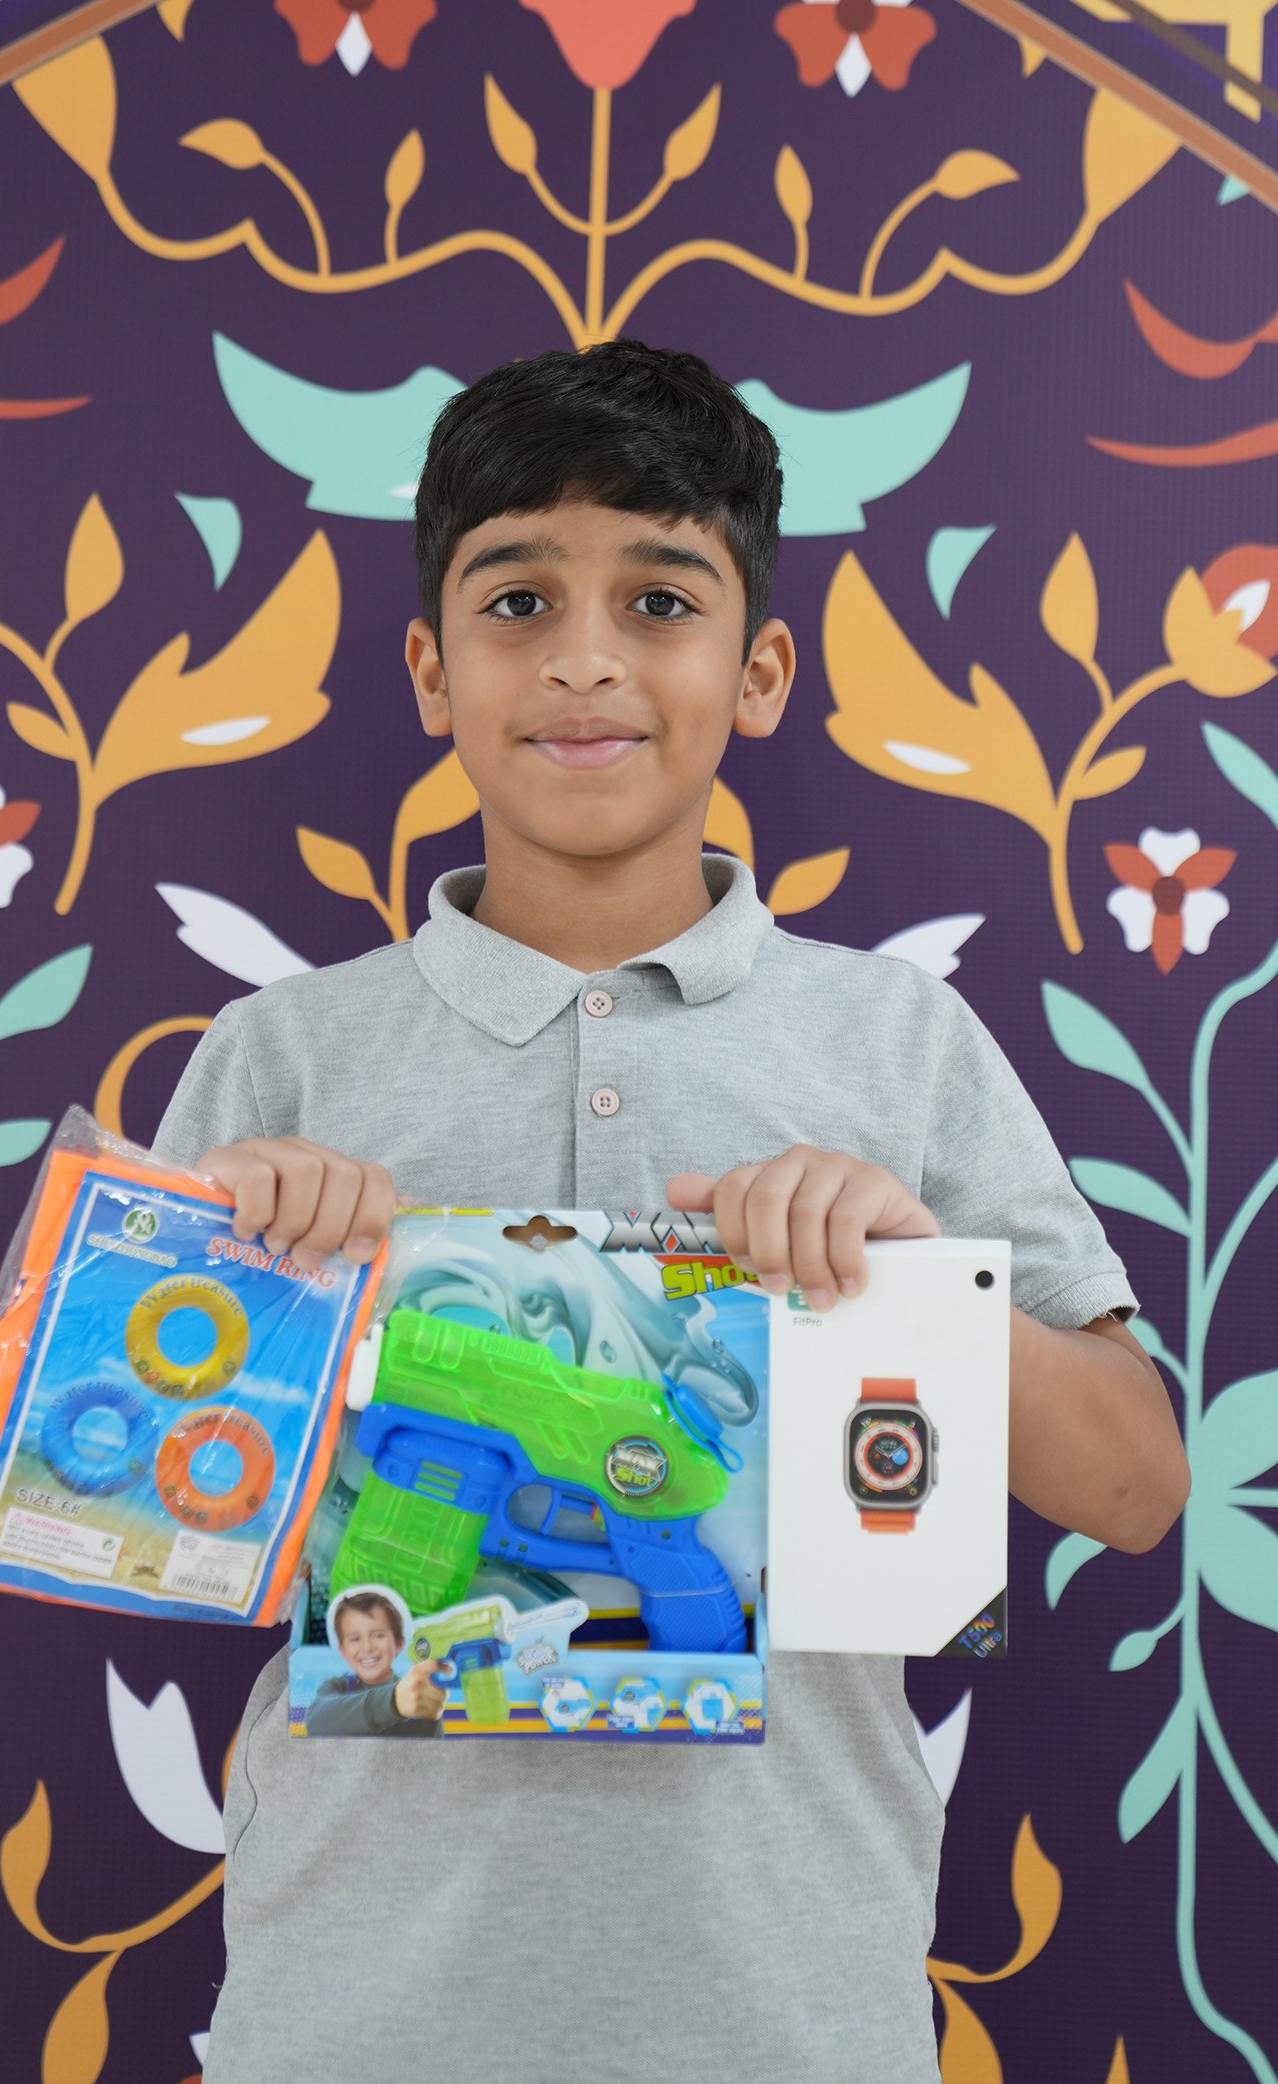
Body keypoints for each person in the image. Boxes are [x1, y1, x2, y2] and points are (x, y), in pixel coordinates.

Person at [153, 339, 1189, 2083]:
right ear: (429, 669)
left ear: (758, 668)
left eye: (657, 599)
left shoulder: (901, 1042)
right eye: (515, 601)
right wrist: (248, 1286)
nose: (583, 657)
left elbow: (1137, 1485)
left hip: (789, 2011)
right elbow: (146, 1523)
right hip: (351, 2014)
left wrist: (912, 1283)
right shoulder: (278, 1058)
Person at [304, 1588, 447, 1737]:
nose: (367, 1647)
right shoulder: (337, 1687)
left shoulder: (418, 1693)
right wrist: (393, 1701)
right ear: (343, 1650)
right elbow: (316, 1722)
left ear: (399, 1642)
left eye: (378, 1636)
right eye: (355, 1639)